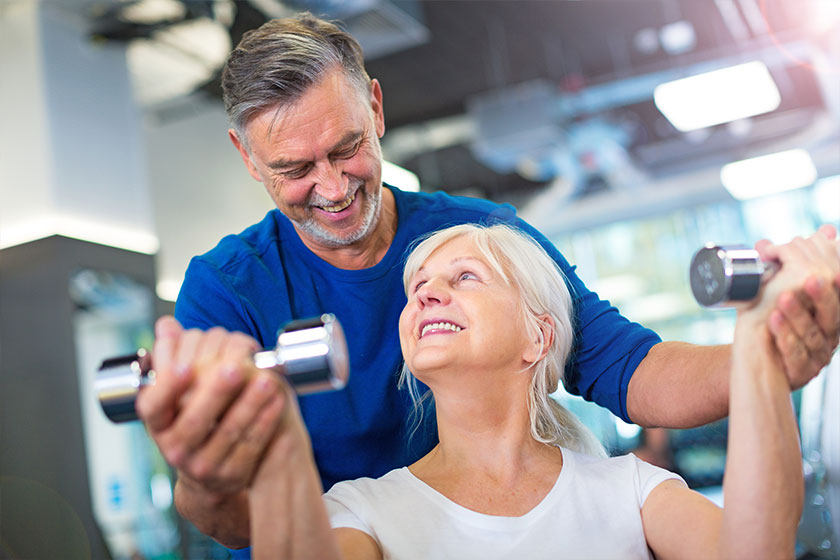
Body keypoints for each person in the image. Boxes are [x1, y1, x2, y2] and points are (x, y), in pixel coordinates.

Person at [135, 12, 840, 549]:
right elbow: (234, 516)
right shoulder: (231, 294)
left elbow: (634, 369)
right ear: (249, 160)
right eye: (294, 169)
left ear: (376, 110)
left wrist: (766, 358)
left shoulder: (484, 232)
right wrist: (222, 463)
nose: (331, 186)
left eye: (347, 148)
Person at [244, 223, 836, 559]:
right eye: (418, 287)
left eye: (465, 277)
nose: (426, 294)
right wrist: (266, 437)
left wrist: (764, 343)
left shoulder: (630, 490)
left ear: (538, 334)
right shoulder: (360, 511)